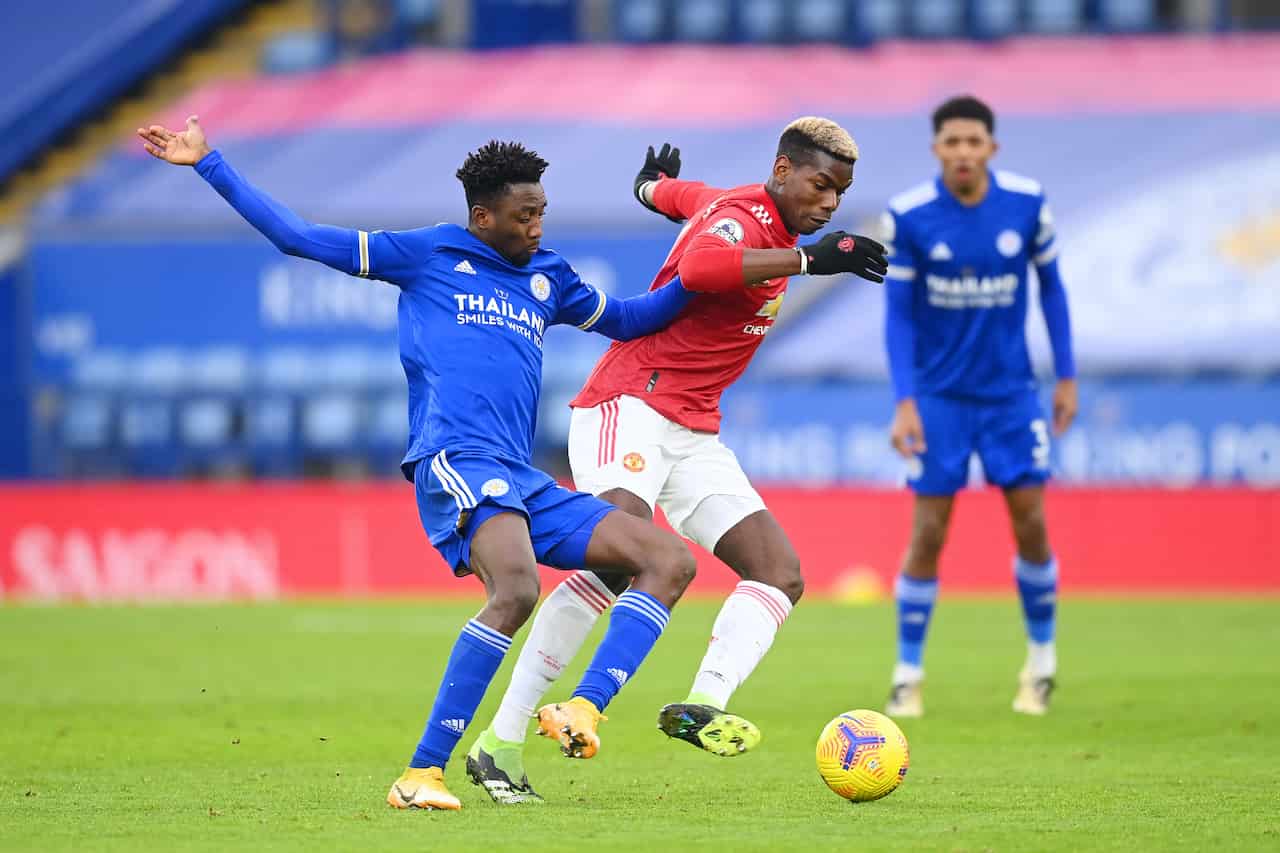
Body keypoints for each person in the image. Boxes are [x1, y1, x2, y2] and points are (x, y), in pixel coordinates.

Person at [137, 117, 702, 811]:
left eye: (542, 214)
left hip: (521, 477)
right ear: (482, 215)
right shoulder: (428, 253)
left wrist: (704, 267)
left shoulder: (549, 277)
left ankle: (582, 707)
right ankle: (421, 773)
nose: (536, 228)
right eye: (524, 217)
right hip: (456, 458)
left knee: (667, 559)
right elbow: (298, 237)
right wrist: (209, 163)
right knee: (517, 589)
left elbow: (635, 316)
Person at [465, 117, 889, 804]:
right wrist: (813, 261)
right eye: (820, 185)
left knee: (779, 573)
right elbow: (699, 266)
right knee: (617, 555)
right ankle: (503, 740)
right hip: (630, 402)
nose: (829, 204)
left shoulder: (741, 208)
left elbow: (684, 198)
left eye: (839, 193)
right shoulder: (745, 219)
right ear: (783, 170)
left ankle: (702, 704)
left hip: (692, 428)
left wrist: (651, 187)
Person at [880, 95, 1077, 719]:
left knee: (1031, 522)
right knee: (929, 531)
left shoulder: (1026, 203)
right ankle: (907, 674)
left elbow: (1053, 289)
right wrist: (905, 401)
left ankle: (1041, 664)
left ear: (992, 147)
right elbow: (898, 316)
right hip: (939, 401)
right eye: (952, 143)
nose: (963, 152)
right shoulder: (910, 216)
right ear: (937, 149)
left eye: (974, 142)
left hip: (1011, 396)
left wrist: (1065, 377)